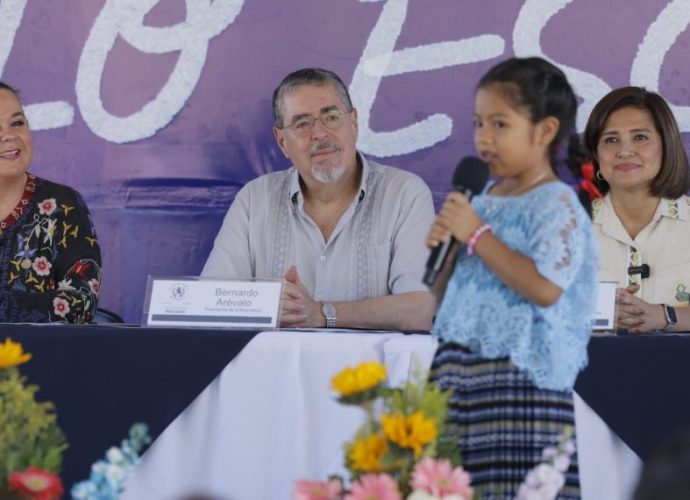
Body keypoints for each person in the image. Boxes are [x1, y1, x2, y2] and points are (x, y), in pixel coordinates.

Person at [425, 57, 598, 498]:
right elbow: (445, 295)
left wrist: (476, 234)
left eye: (500, 124)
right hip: (458, 377)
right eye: (479, 123)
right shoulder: (481, 198)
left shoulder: (557, 204)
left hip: (521, 387)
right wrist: (444, 253)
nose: (484, 138)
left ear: (544, 131)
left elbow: (544, 288)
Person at [202, 68, 436, 330]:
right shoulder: (253, 200)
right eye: (302, 124)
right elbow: (210, 302)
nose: (320, 133)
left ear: (354, 123)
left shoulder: (405, 193)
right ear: (282, 142)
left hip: (370, 371)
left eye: (331, 117)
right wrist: (260, 303)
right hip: (272, 370)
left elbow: (420, 309)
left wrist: (322, 314)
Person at [579, 87, 690, 333]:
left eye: (640, 137)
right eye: (611, 140)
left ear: (666, 145)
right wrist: (598, 313)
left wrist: (663, 315)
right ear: (596, 156)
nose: (624, 151)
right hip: (596, 369)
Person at [0, 82, 101, 322]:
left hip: (39, 357)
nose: (9, 136)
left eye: (17, 123)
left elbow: (81, 301)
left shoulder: (62, 205)